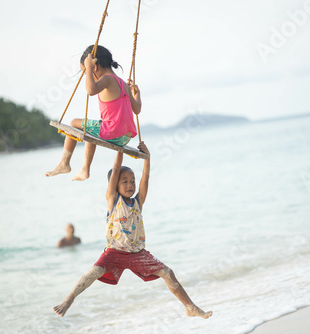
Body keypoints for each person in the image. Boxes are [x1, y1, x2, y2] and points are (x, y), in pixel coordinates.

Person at [53, 143, 212, 319]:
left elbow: (145, 178)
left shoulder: (138, 202)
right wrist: (119, 150)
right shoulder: (113, 200)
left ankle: (190, 307)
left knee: (167, 273)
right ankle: (69, 299)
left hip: (138, 253)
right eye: (125, 182)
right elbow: (115, 170)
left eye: (132, 181)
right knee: (93, 272)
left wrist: (147, 158)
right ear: (114, 186)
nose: (130, 185)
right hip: (114, 252)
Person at [45, 44, 141, 181]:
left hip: (113, 132)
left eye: (86, 73)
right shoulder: (124, 84)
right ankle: (84, 169)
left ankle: (64, 163)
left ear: (95, 67)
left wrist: (88, 67)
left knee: (74, 123)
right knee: (91, 128)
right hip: (125, 136)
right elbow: (137, 109)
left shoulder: (107, 79)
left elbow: (91, 90)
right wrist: (137, 94)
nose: (88, 75)